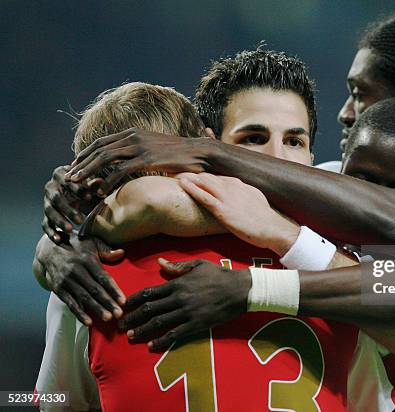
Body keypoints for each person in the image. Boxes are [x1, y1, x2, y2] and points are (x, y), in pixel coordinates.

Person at [55, 11, 395, 411]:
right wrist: (64, 237)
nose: (344, 111)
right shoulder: (337, 206)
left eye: (359, 92)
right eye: (252, 140)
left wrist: (260, 264)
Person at [35, 58, 360, 410]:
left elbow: (50, 402)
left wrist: (73, 230)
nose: (276, 159)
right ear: (205, 148)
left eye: (294, 141)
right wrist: (61, 240)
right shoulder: (338, 243)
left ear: (313, 152)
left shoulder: (343, 211)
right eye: (254, 138)